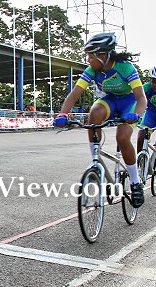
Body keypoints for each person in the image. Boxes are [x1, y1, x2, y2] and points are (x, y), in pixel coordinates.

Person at [55, 32, 148, 208]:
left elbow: (141, 98)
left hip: (129, 103)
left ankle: (135, 182)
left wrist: (135, 114)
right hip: (110, 100)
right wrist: (62, 115)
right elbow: (74, 94)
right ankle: (95, 161)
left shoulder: (126, 68)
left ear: (103, 56)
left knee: (122, 138)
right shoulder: (91, 70)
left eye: (91, 57)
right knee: (95, 112)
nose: (88, 60)